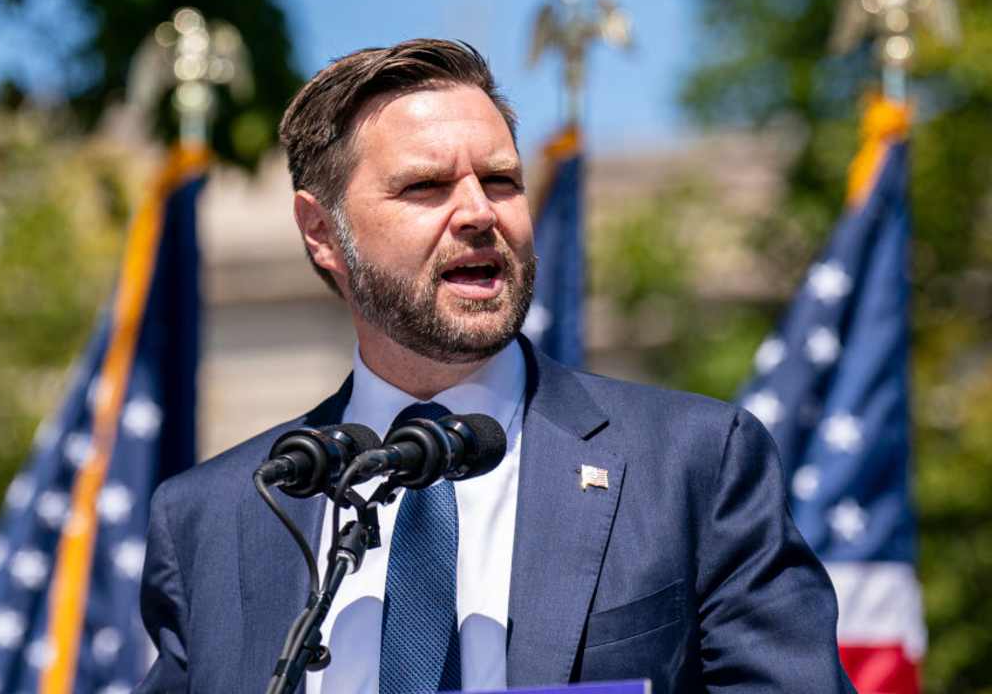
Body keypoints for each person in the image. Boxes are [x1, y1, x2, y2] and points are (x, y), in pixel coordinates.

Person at [134, 39, 855, 693]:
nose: (480, 212)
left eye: (502, 181)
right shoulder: (215, 515)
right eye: (426, 188)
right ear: (322, 232)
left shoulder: (692, 464)